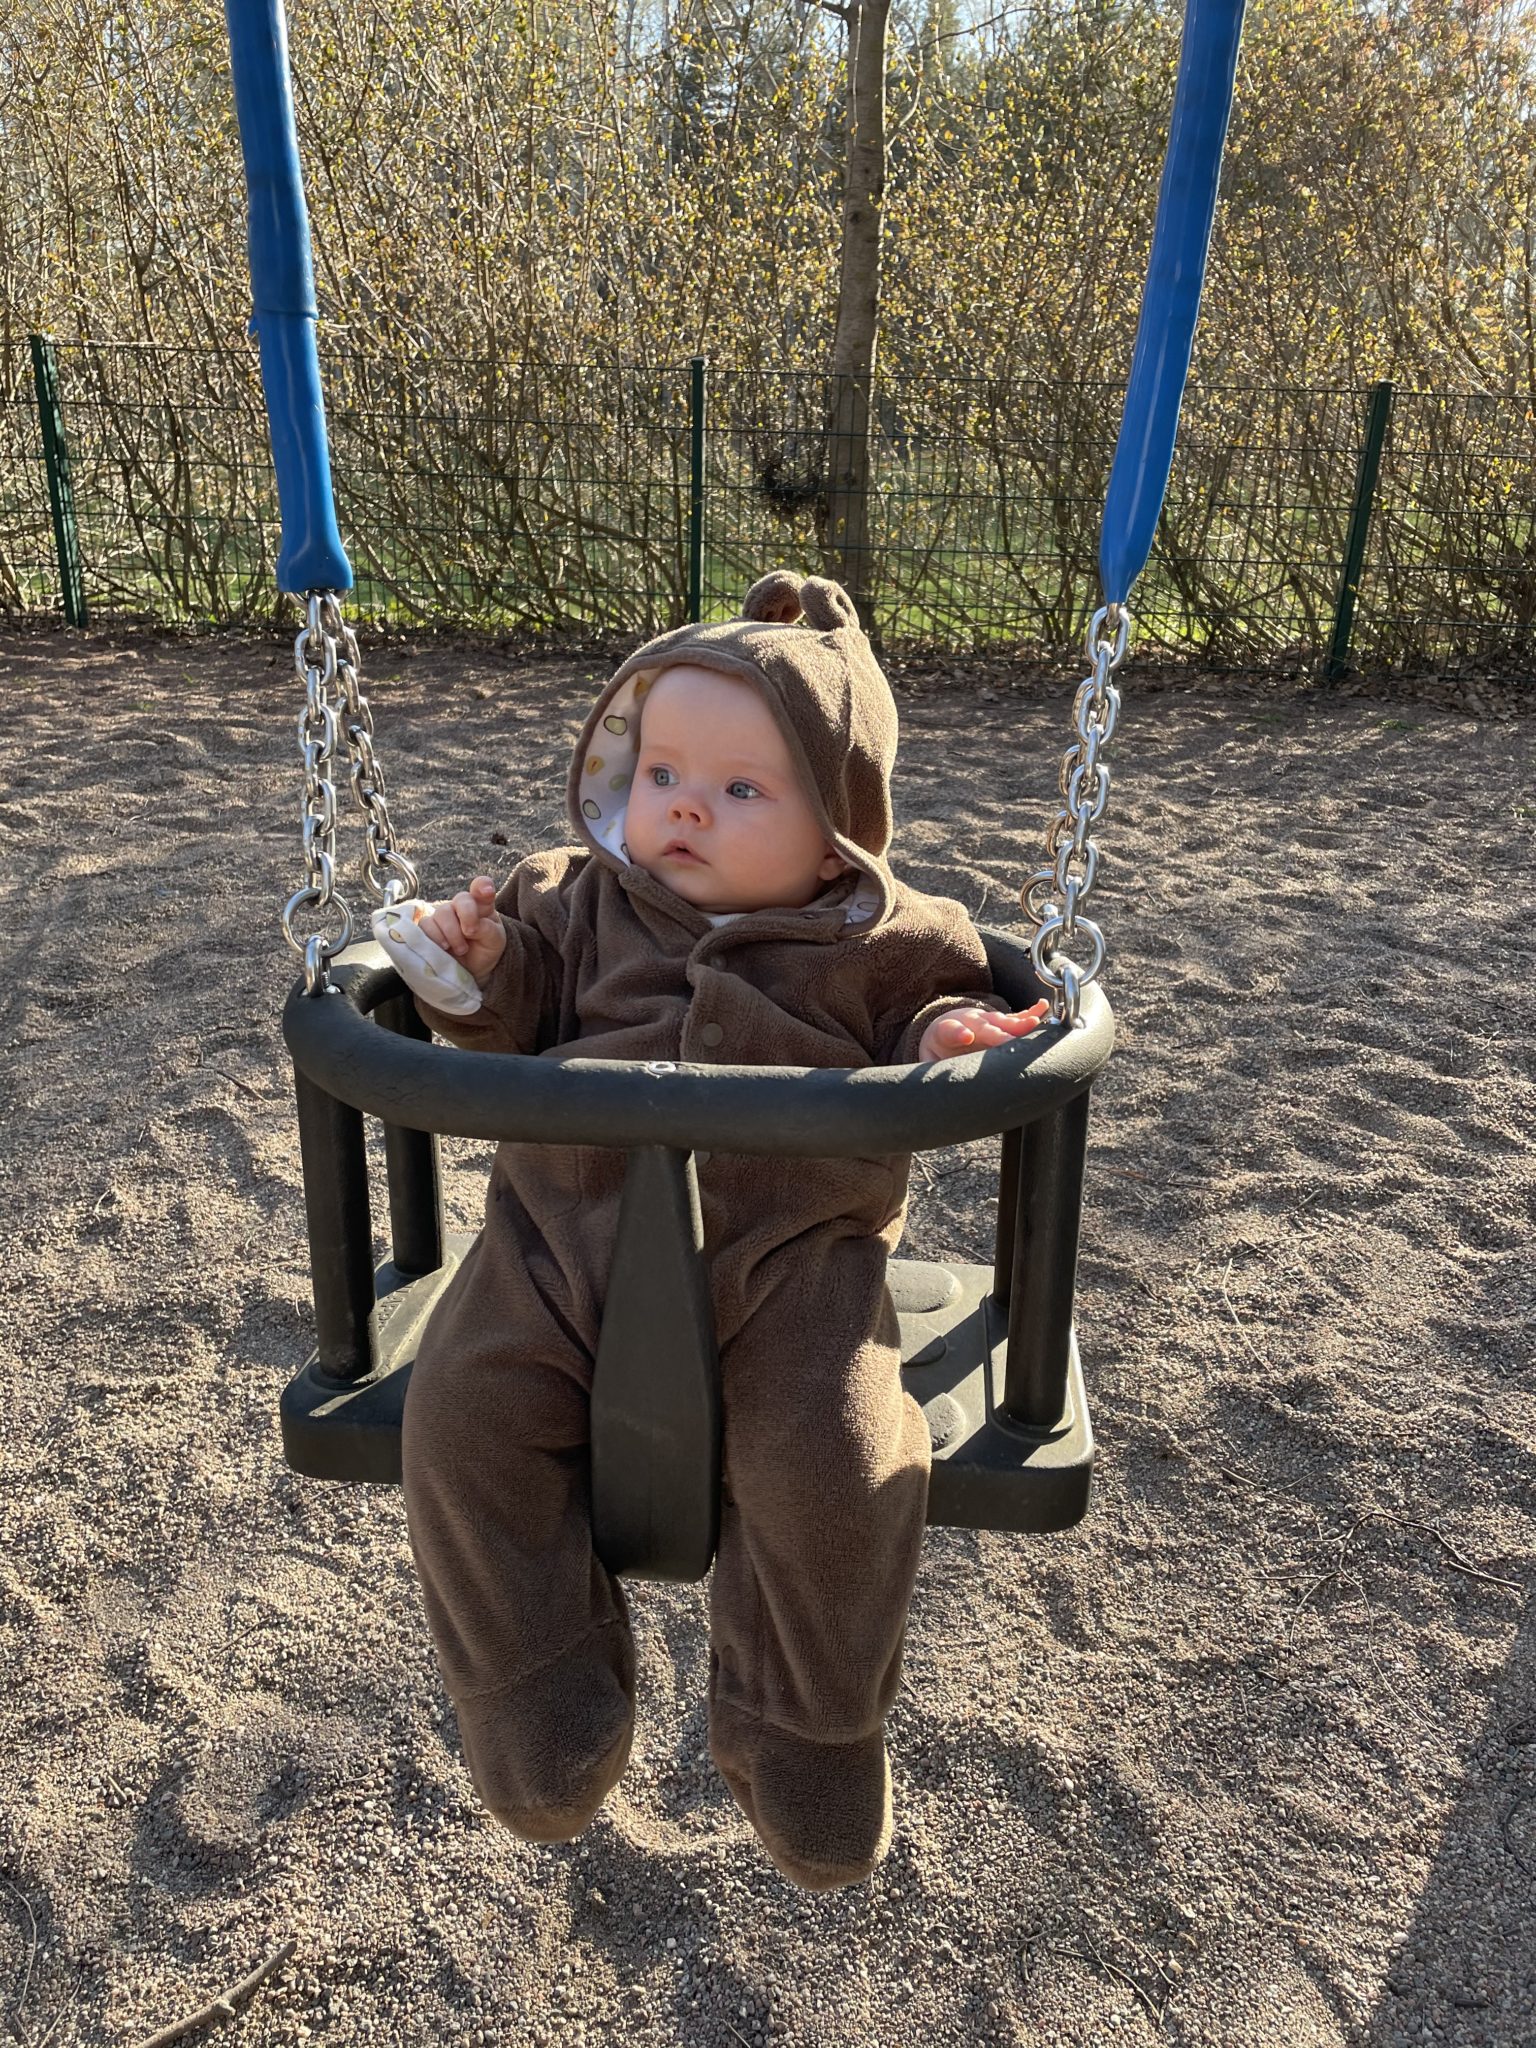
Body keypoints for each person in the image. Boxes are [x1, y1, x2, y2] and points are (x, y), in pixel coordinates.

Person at [376, 571, 1048, 1891]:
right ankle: (536, 1690)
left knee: (839, 1465)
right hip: (557, 1235)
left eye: (743, 789)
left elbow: (932, 1009)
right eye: (664, 772)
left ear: (839, 832)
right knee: (460, 1419)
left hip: (791, 1262)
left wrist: (948, 1037)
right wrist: (478, 967)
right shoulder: (576, 898)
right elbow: (511, 1011)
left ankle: (805, 1728)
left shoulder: (888, 936)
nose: (685, 806)